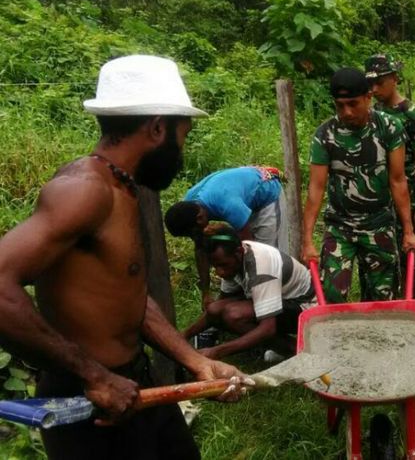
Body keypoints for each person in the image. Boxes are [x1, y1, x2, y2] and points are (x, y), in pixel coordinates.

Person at [0, 55, 251, 460]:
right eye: (182, 135)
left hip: (136, 386)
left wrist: (195, 361)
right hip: (89, 405)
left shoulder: (124, 189)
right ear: (156, 127)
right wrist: (95, 376)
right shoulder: (84, 190)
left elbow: (127, 297)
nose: (182, 151)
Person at [301, 67, 415, 303]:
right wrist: (307, 241)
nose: (346, 112)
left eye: (353, 104)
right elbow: (316, 188)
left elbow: (397, 180)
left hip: (378, 224)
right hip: (340, 226)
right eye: (340, 105)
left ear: (368, 97)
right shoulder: (325, 135)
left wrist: (408, 231)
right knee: (332, 295)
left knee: (382, 297)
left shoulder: (389, 127)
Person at [183, 226, 316, 360]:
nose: (219, 272)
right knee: (214, 309)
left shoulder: (261, 267)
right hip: (277, 298)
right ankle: (279, 346)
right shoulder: (233, 258)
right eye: (215, 266)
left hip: (304, 308)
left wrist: (217, 352)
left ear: (238, 252)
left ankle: (294, 350)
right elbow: (216, 310)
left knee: (234, 315)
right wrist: (183, 336)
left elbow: (268, 328)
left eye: (223, 265)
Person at [164, 166, 285, 310]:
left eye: (195, 233)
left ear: (200, 218)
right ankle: (233, 301)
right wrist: (206, 293)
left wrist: (249, 285)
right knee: (231, 259)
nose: (195, 237)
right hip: (241, 199)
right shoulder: (188, 207)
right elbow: (201, 249)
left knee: (269, 258)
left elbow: (250, 250)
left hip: (266, 195)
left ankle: (273, 306)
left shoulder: (227, 204)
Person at [365, 54, 415, 299]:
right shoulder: (371, 114)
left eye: (379, 82)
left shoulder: (411, 114)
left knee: (414, 252)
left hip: (410, 194)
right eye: (370, 84)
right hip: (381, 198)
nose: (374, 89)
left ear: (394, 79)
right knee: (382, 253)